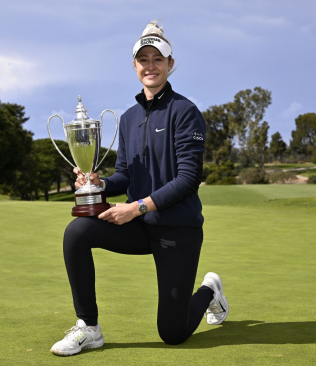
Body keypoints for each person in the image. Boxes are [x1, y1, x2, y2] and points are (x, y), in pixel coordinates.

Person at [50, 21, 229, 357]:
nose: (150, 66)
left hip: (178, 230)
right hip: (140, 228)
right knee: (77, 232)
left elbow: (189, 179)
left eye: (157, 59)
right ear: (134, 66)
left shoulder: (185, 112)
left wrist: (136, 207)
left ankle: (209, 289)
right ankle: (88, 328)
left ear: (170, 64)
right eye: (143, 59)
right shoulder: (129, 118)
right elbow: (124, 177)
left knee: (172, 333)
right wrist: (99, 183)